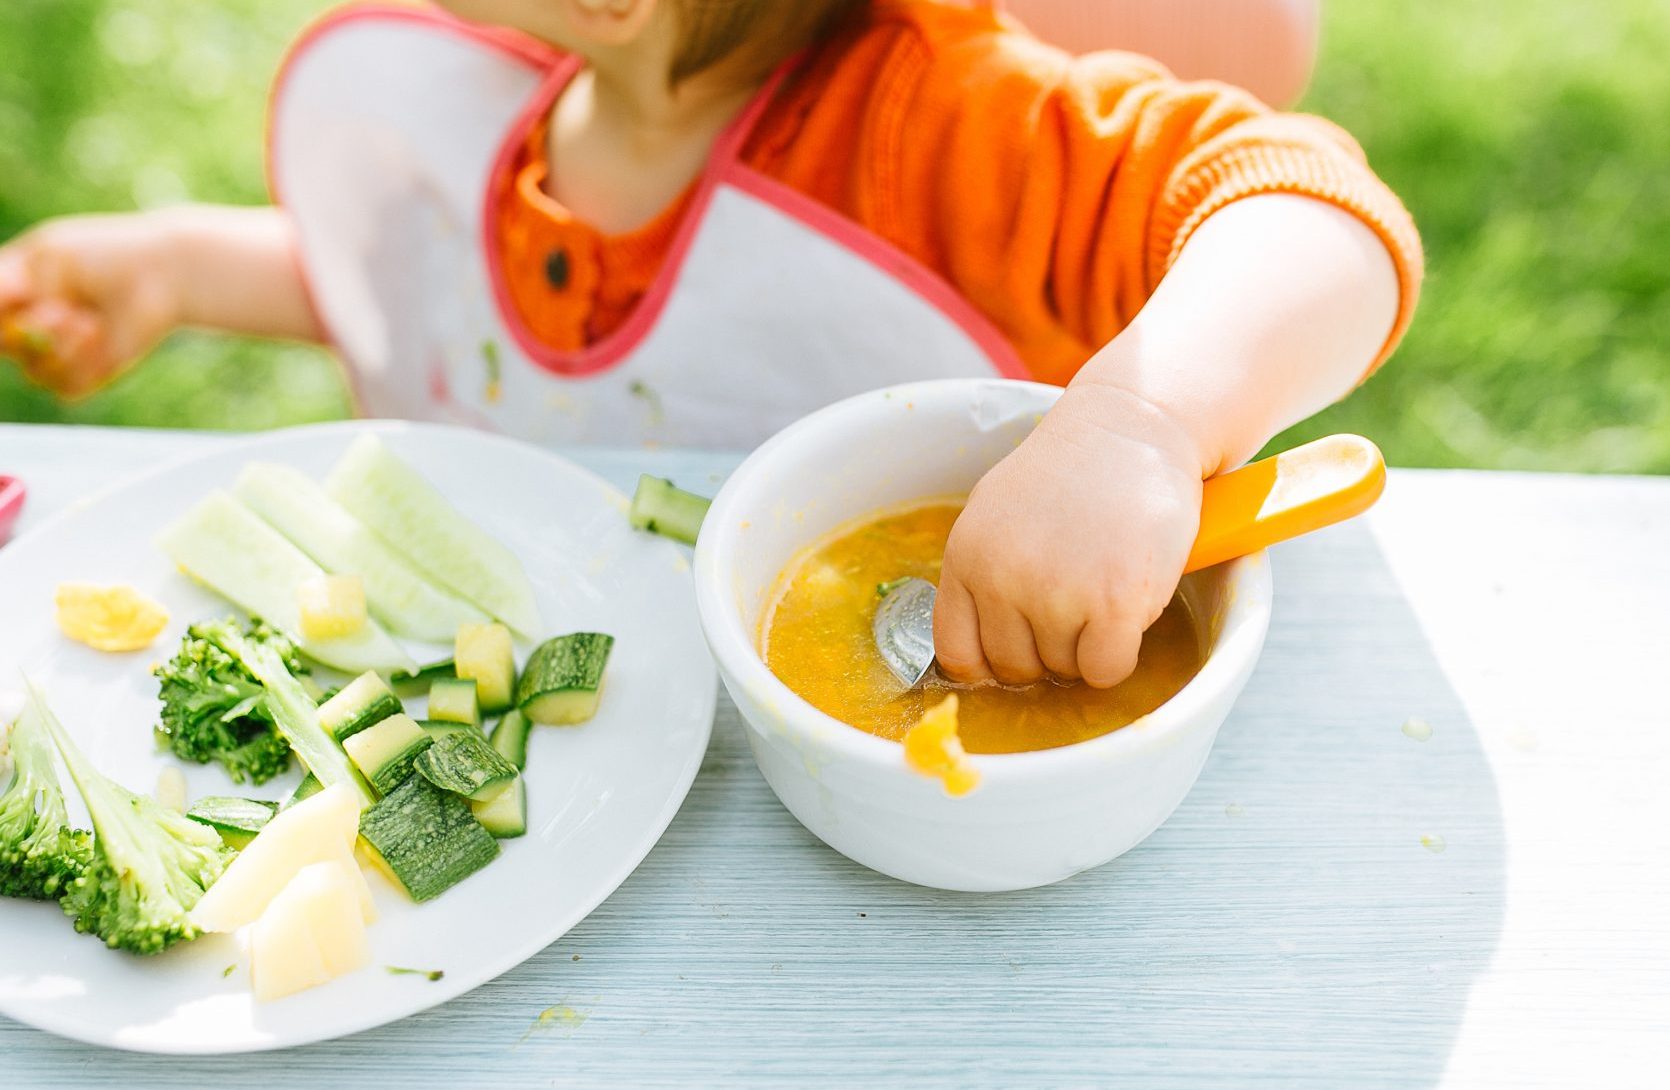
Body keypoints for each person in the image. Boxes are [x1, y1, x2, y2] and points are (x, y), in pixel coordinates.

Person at [0, 0, 1420, 689]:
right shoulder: (548, 87)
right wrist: (186, 266)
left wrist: (1141, 424)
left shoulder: (944, 134)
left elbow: (1323, 211)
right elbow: (482, 316)